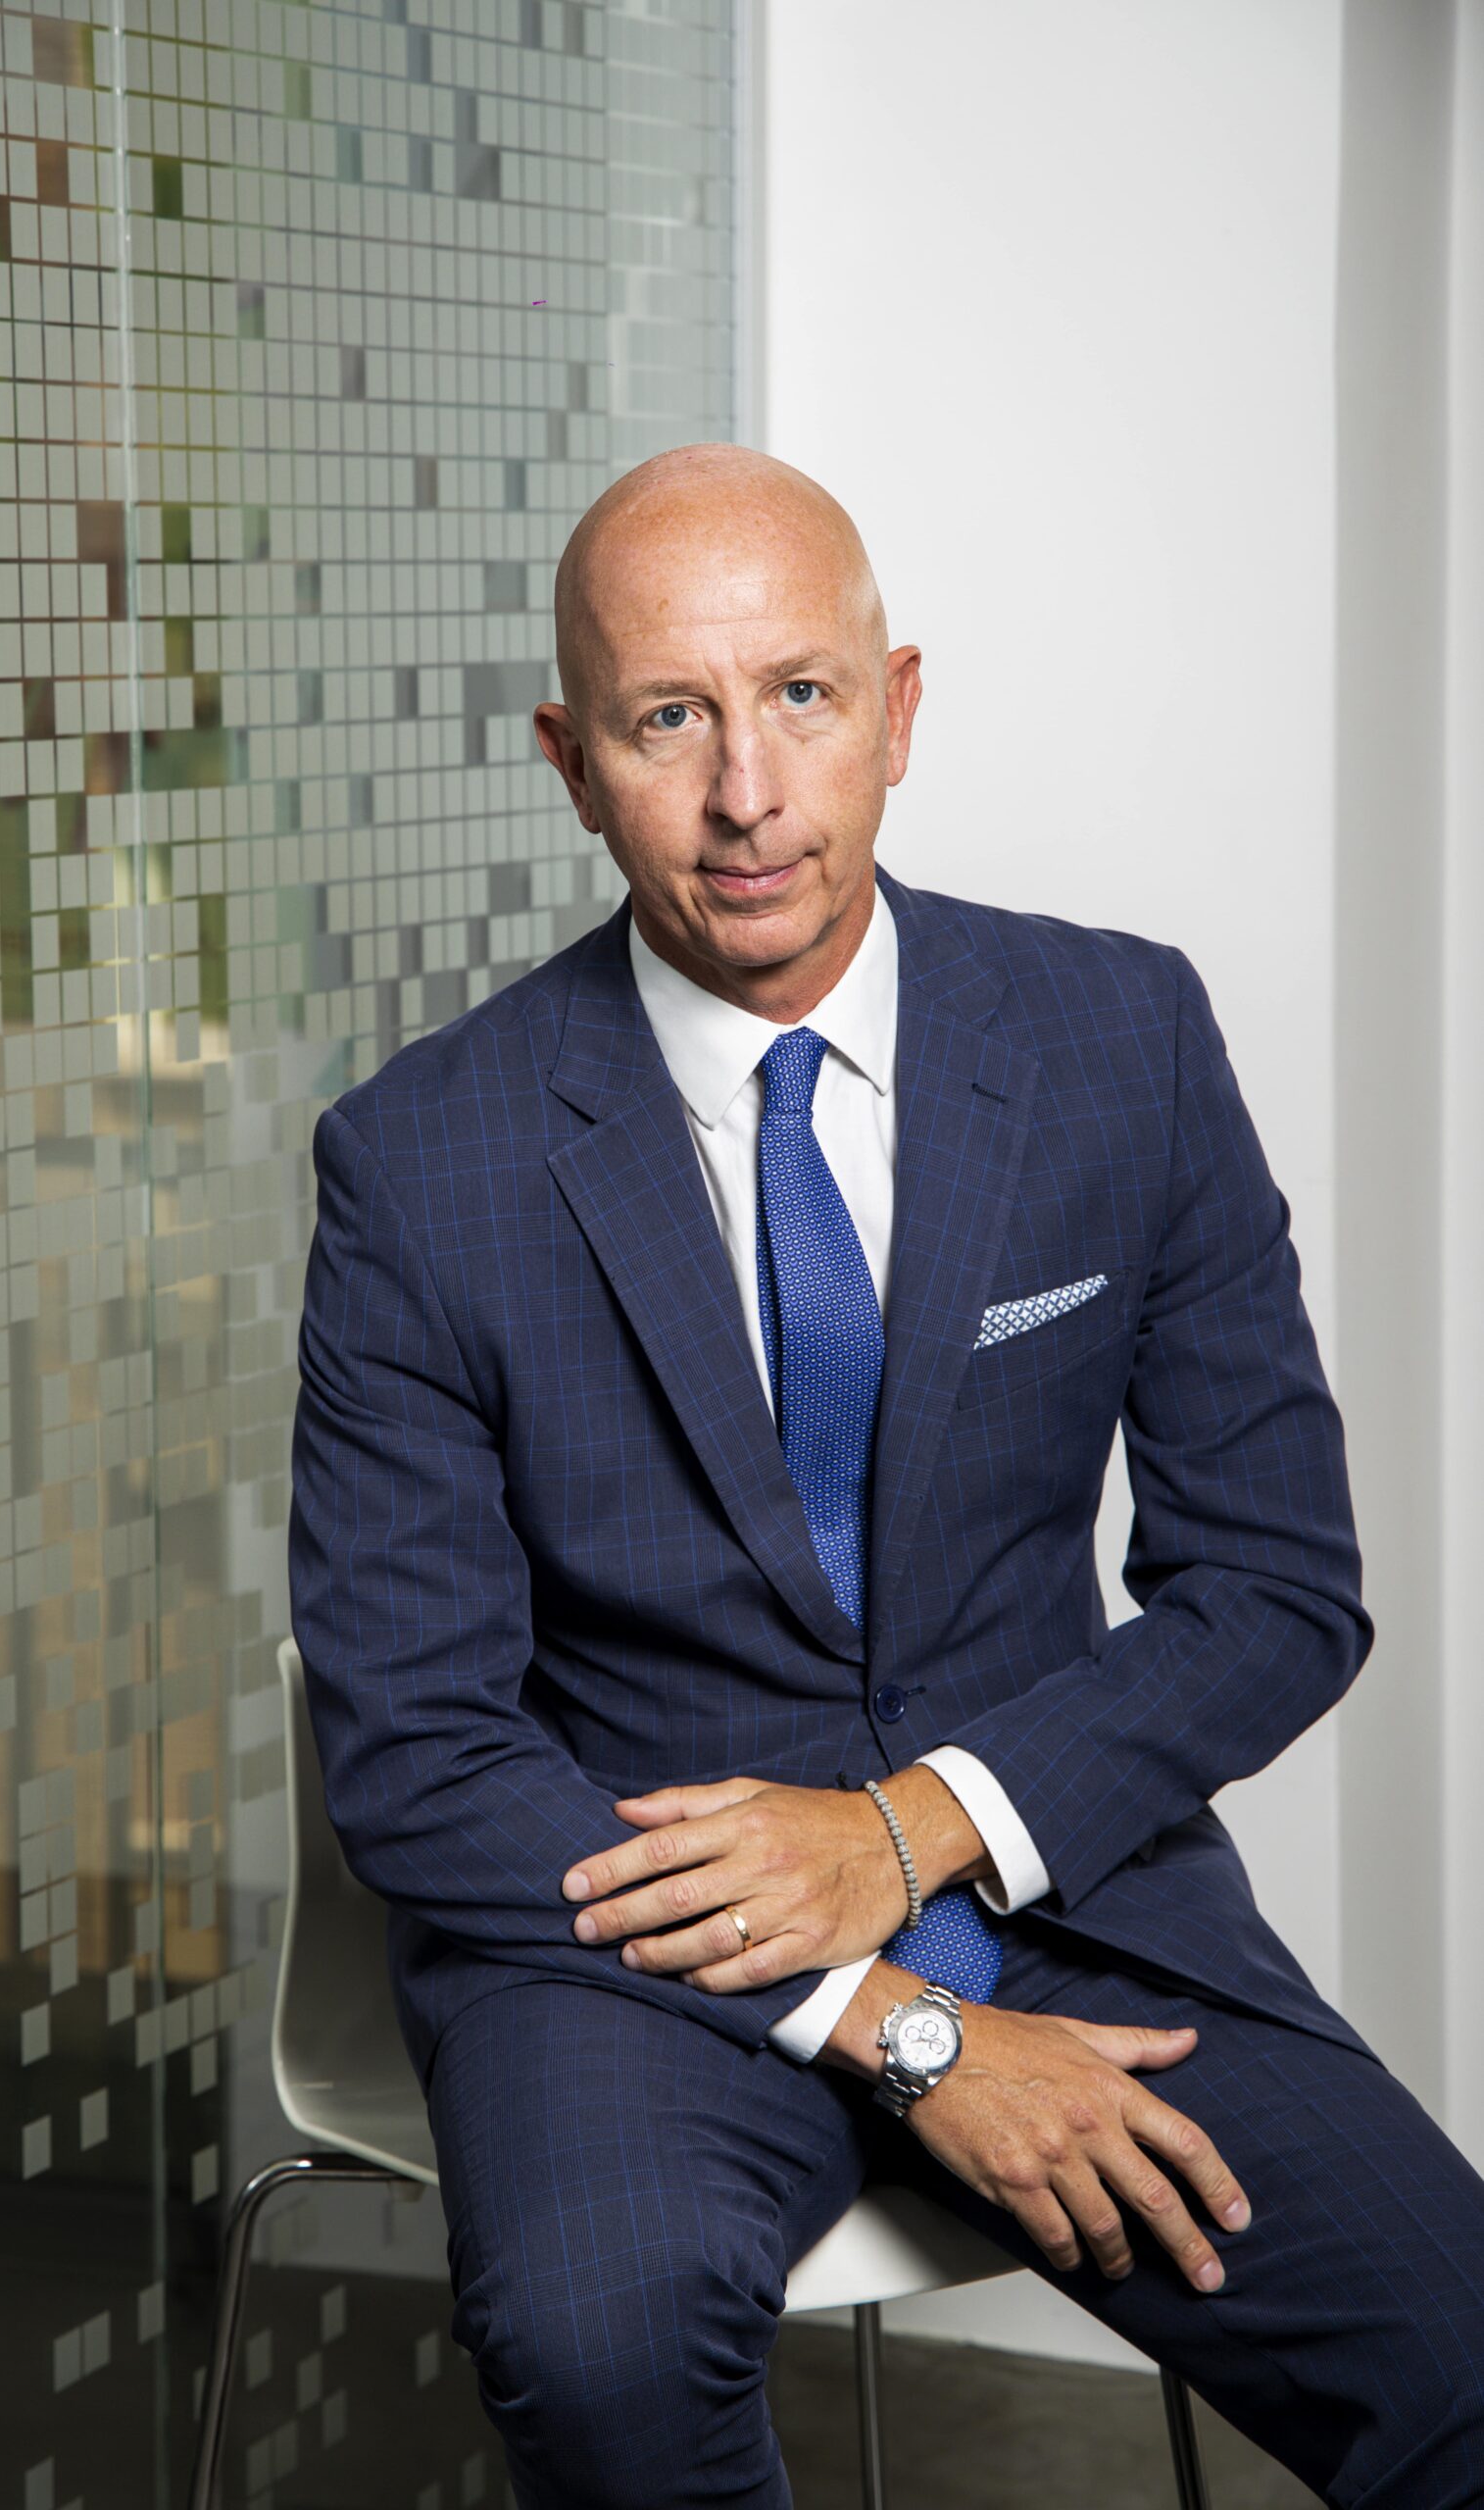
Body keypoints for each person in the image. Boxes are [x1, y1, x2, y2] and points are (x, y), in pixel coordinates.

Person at [288, 444, 1484, 2508]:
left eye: (801, 696)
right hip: (630, 1937)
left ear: (898, 708)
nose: (747, 793)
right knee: (597, 2354)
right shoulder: (422, 1160)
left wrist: (910, 1831)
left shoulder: (1118, 1038)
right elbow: (413, 1743)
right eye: (669, 719)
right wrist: (894, 2020)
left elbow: (1275, 1588)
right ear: (573, 764)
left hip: (1062, 1877)